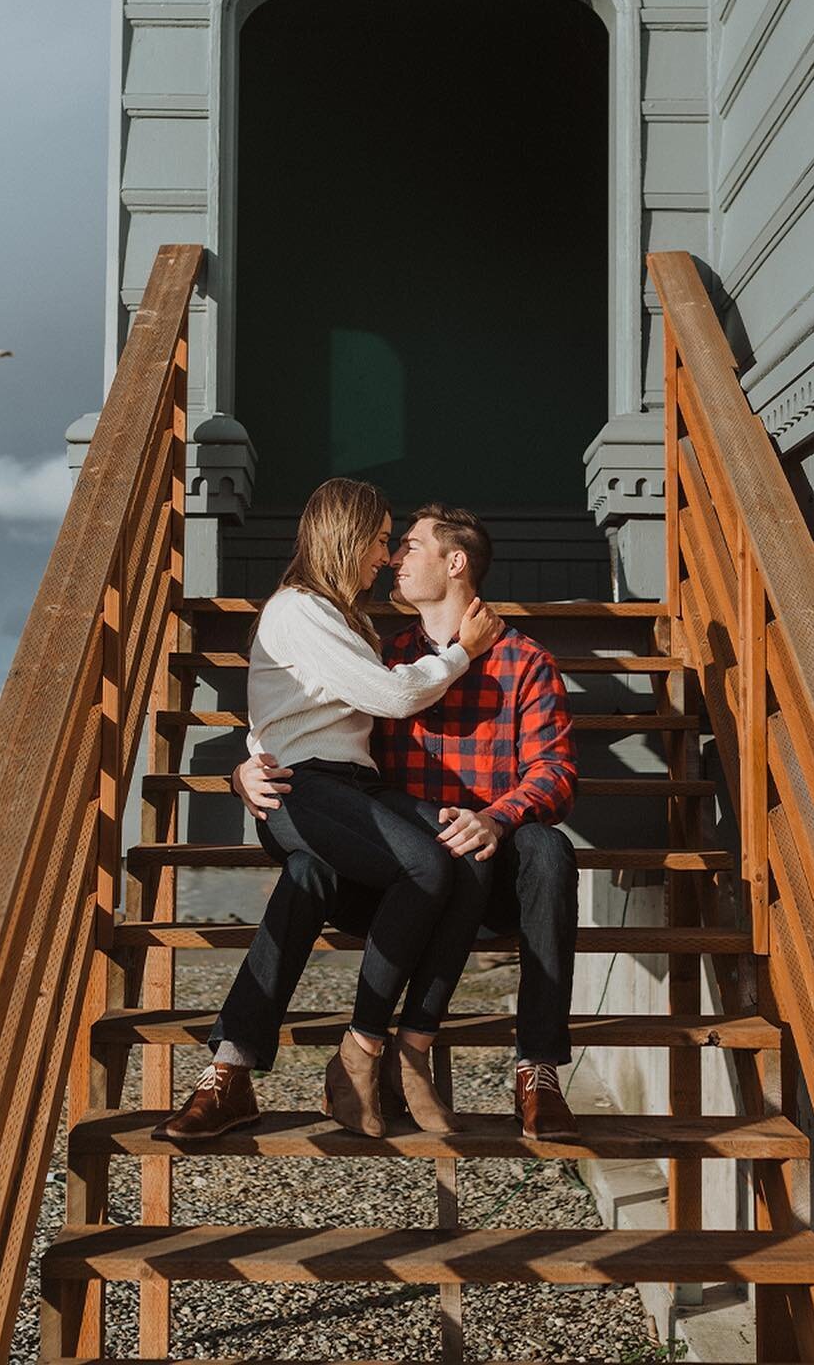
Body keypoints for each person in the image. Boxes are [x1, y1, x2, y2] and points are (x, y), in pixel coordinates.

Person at [153, 477, 503, 1144]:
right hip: (302, 788)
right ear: (347, 537)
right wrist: (462, 653)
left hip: (352, 788)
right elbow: (392, 697)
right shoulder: (297, 609)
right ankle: (362, 1046)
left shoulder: (347, 618)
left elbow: (282, 706)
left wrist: (243, 761)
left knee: (459, 847)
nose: (385, 557)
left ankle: (232, 1074)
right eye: (378, 541)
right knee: (427, 864)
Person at [233, 504, 583, 1140]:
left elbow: (555, 773)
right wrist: (247, 767)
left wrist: (497, 820)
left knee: (548, 850)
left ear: (454, 563)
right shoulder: (383, 657)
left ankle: (537, 1071)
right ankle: (245, 1071)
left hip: (486, 869)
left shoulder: (523, 661)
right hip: (395, 872)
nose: (393, 558)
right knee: (358, 861)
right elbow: (303, 718)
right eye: (390, 545)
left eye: (409, 547)